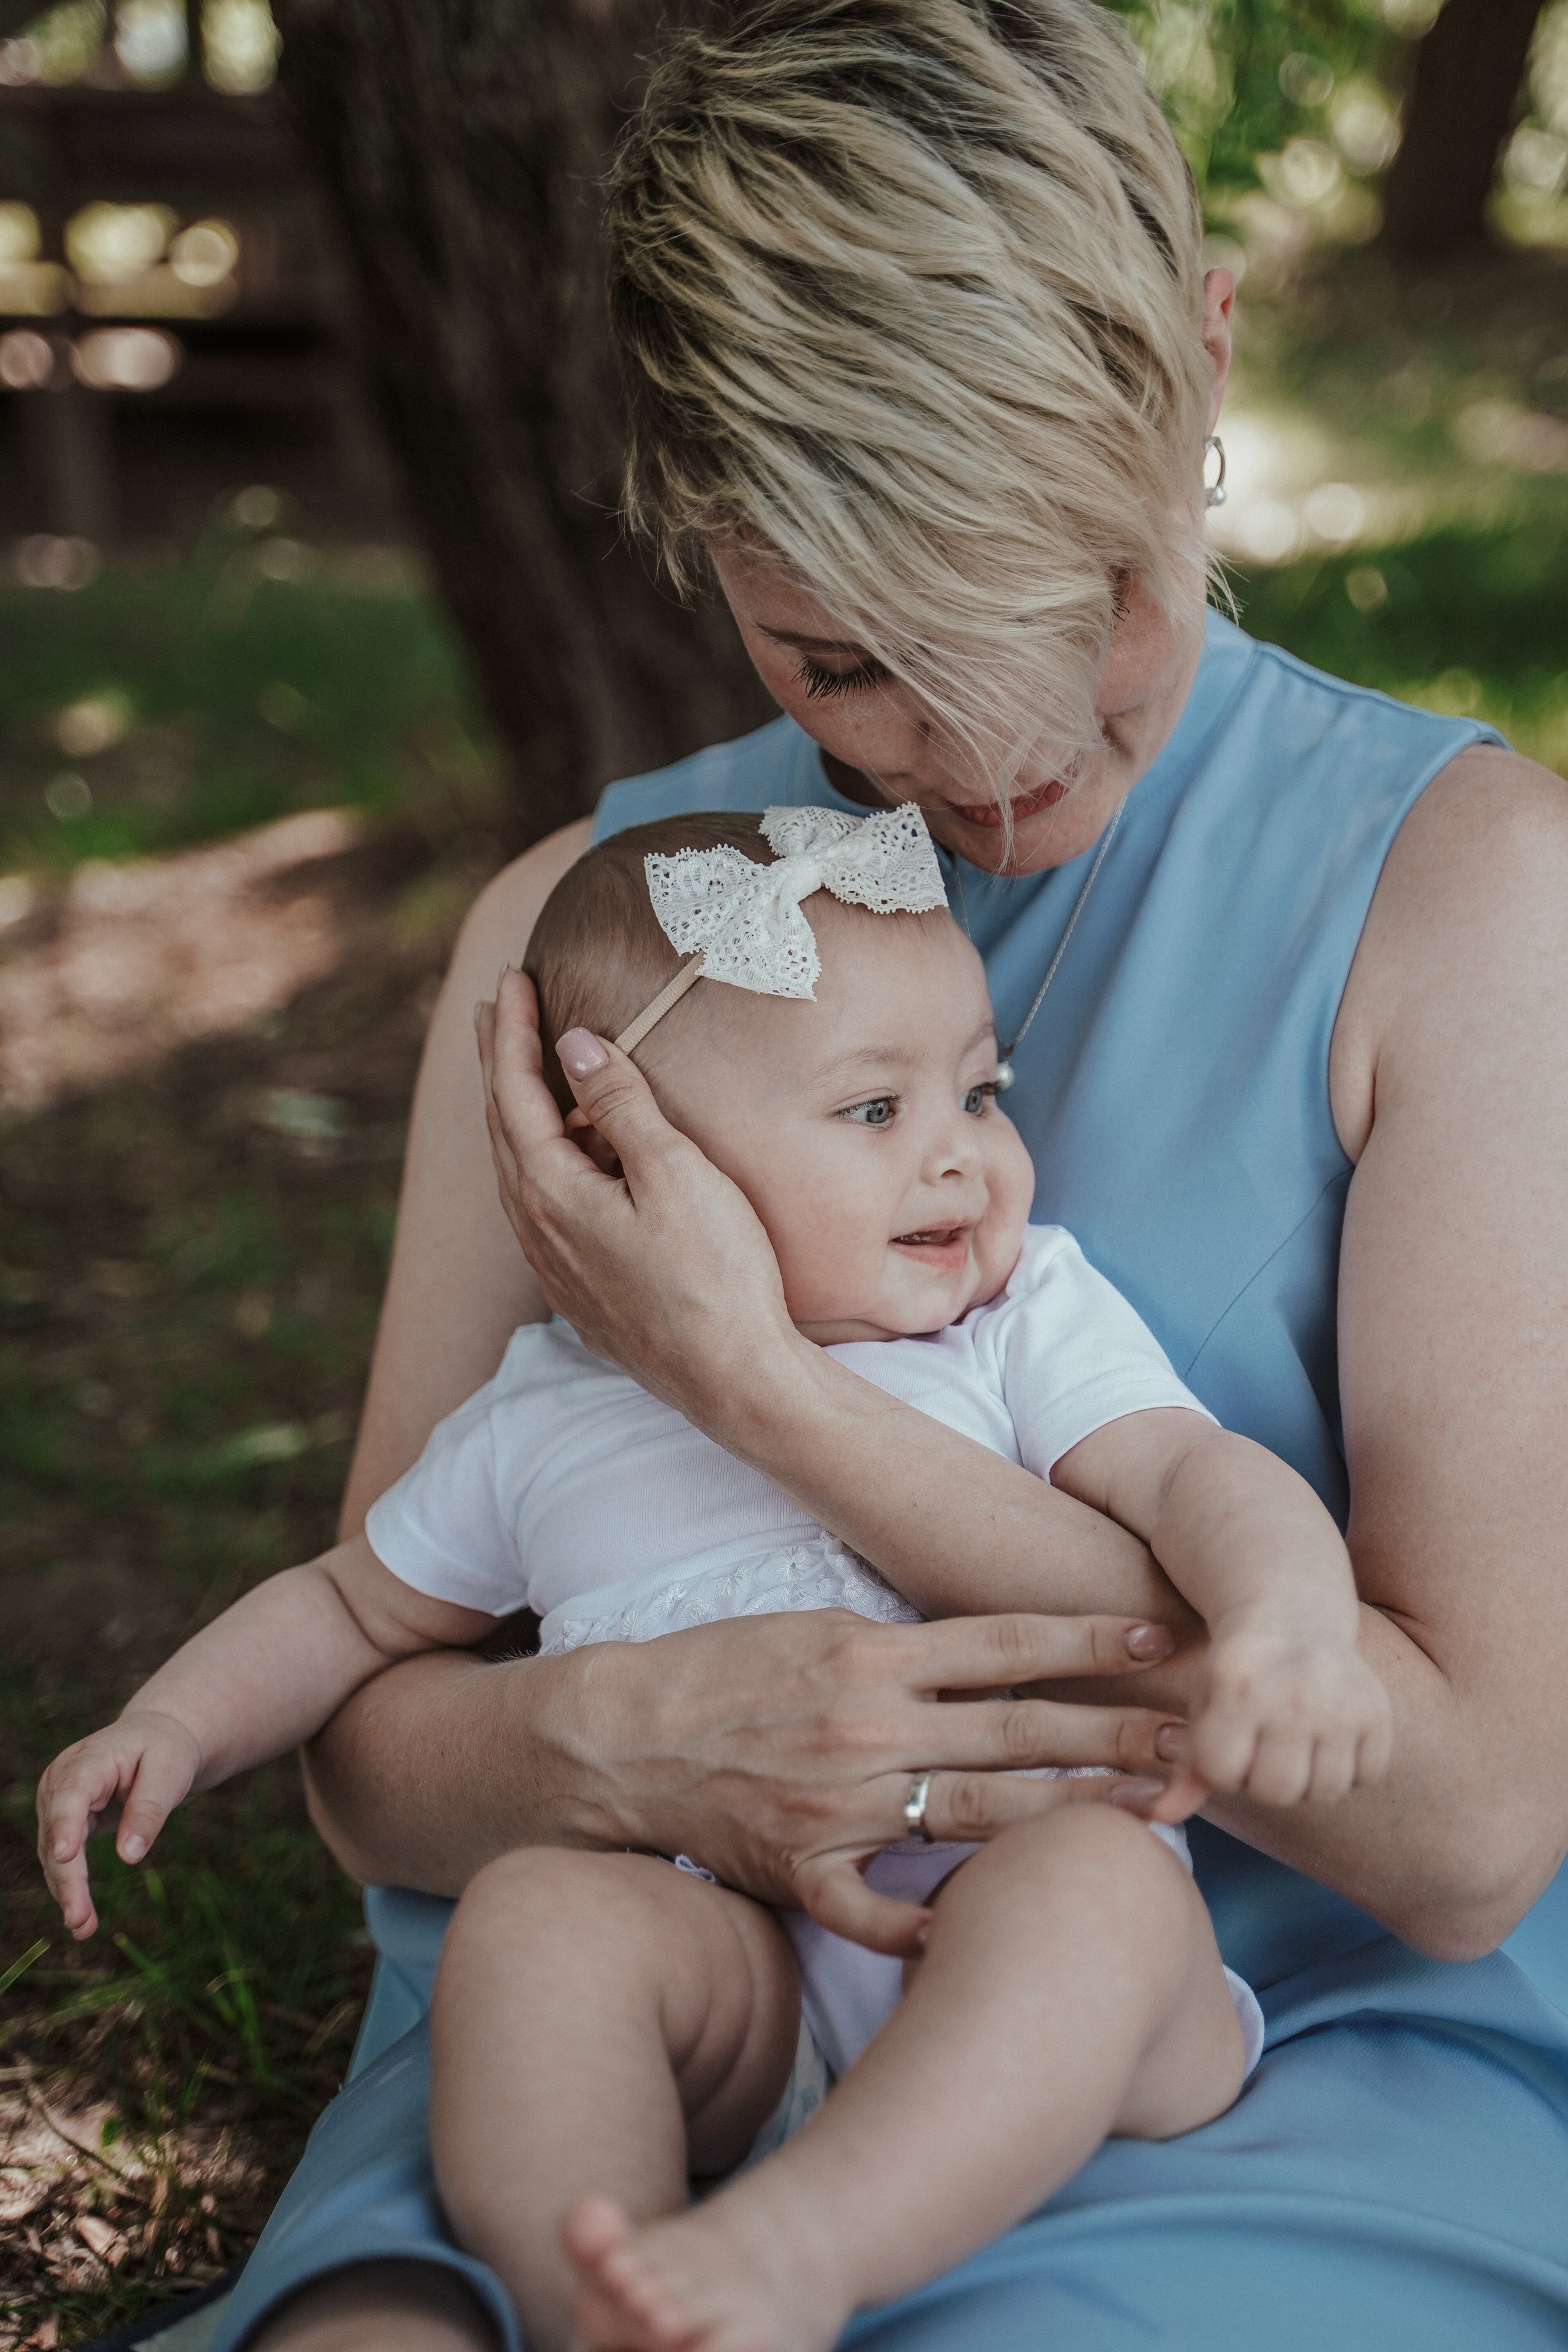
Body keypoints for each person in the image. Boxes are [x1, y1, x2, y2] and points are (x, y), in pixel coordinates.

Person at [188, 3, 1568, 2348]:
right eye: (846, 664)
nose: (996, 752)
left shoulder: (1469, 901)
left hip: (1228, 2050)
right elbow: (382, 1761)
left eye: (1079, 606)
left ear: (1207, 345)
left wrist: (755, 1385)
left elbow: (1456, 1841)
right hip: (650, 2000)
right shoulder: (582, 930)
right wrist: (599, 1746)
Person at [45, 804, 1398, 2351]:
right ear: (635, 1156)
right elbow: (355, 1606)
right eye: (874, 1111)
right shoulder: (546, 1411)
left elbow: (1196, 1477)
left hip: (1021, 1938)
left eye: (977, 1089)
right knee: (538, 1925)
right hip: (731, 1974)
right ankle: (597, 2288)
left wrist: (1289, 1620)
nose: (961, 1149)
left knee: (1085, 1893)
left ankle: (794, 2253)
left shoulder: (1013, 1324)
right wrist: (176, 1722)